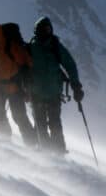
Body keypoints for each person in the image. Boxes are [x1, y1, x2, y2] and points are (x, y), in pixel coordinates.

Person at [26, 17, 83, 152]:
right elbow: (70, 65)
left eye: (48, 29)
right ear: (37, 31)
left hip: (47, 93)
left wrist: (76, 86)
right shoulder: (34, 47)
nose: (47, 32)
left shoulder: (52, 47)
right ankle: (53, 153)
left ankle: (54, 153)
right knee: (44, 124)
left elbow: (70, 65)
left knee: (51, 123)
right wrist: (76, 86)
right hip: (42, 93)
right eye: (44, 29)